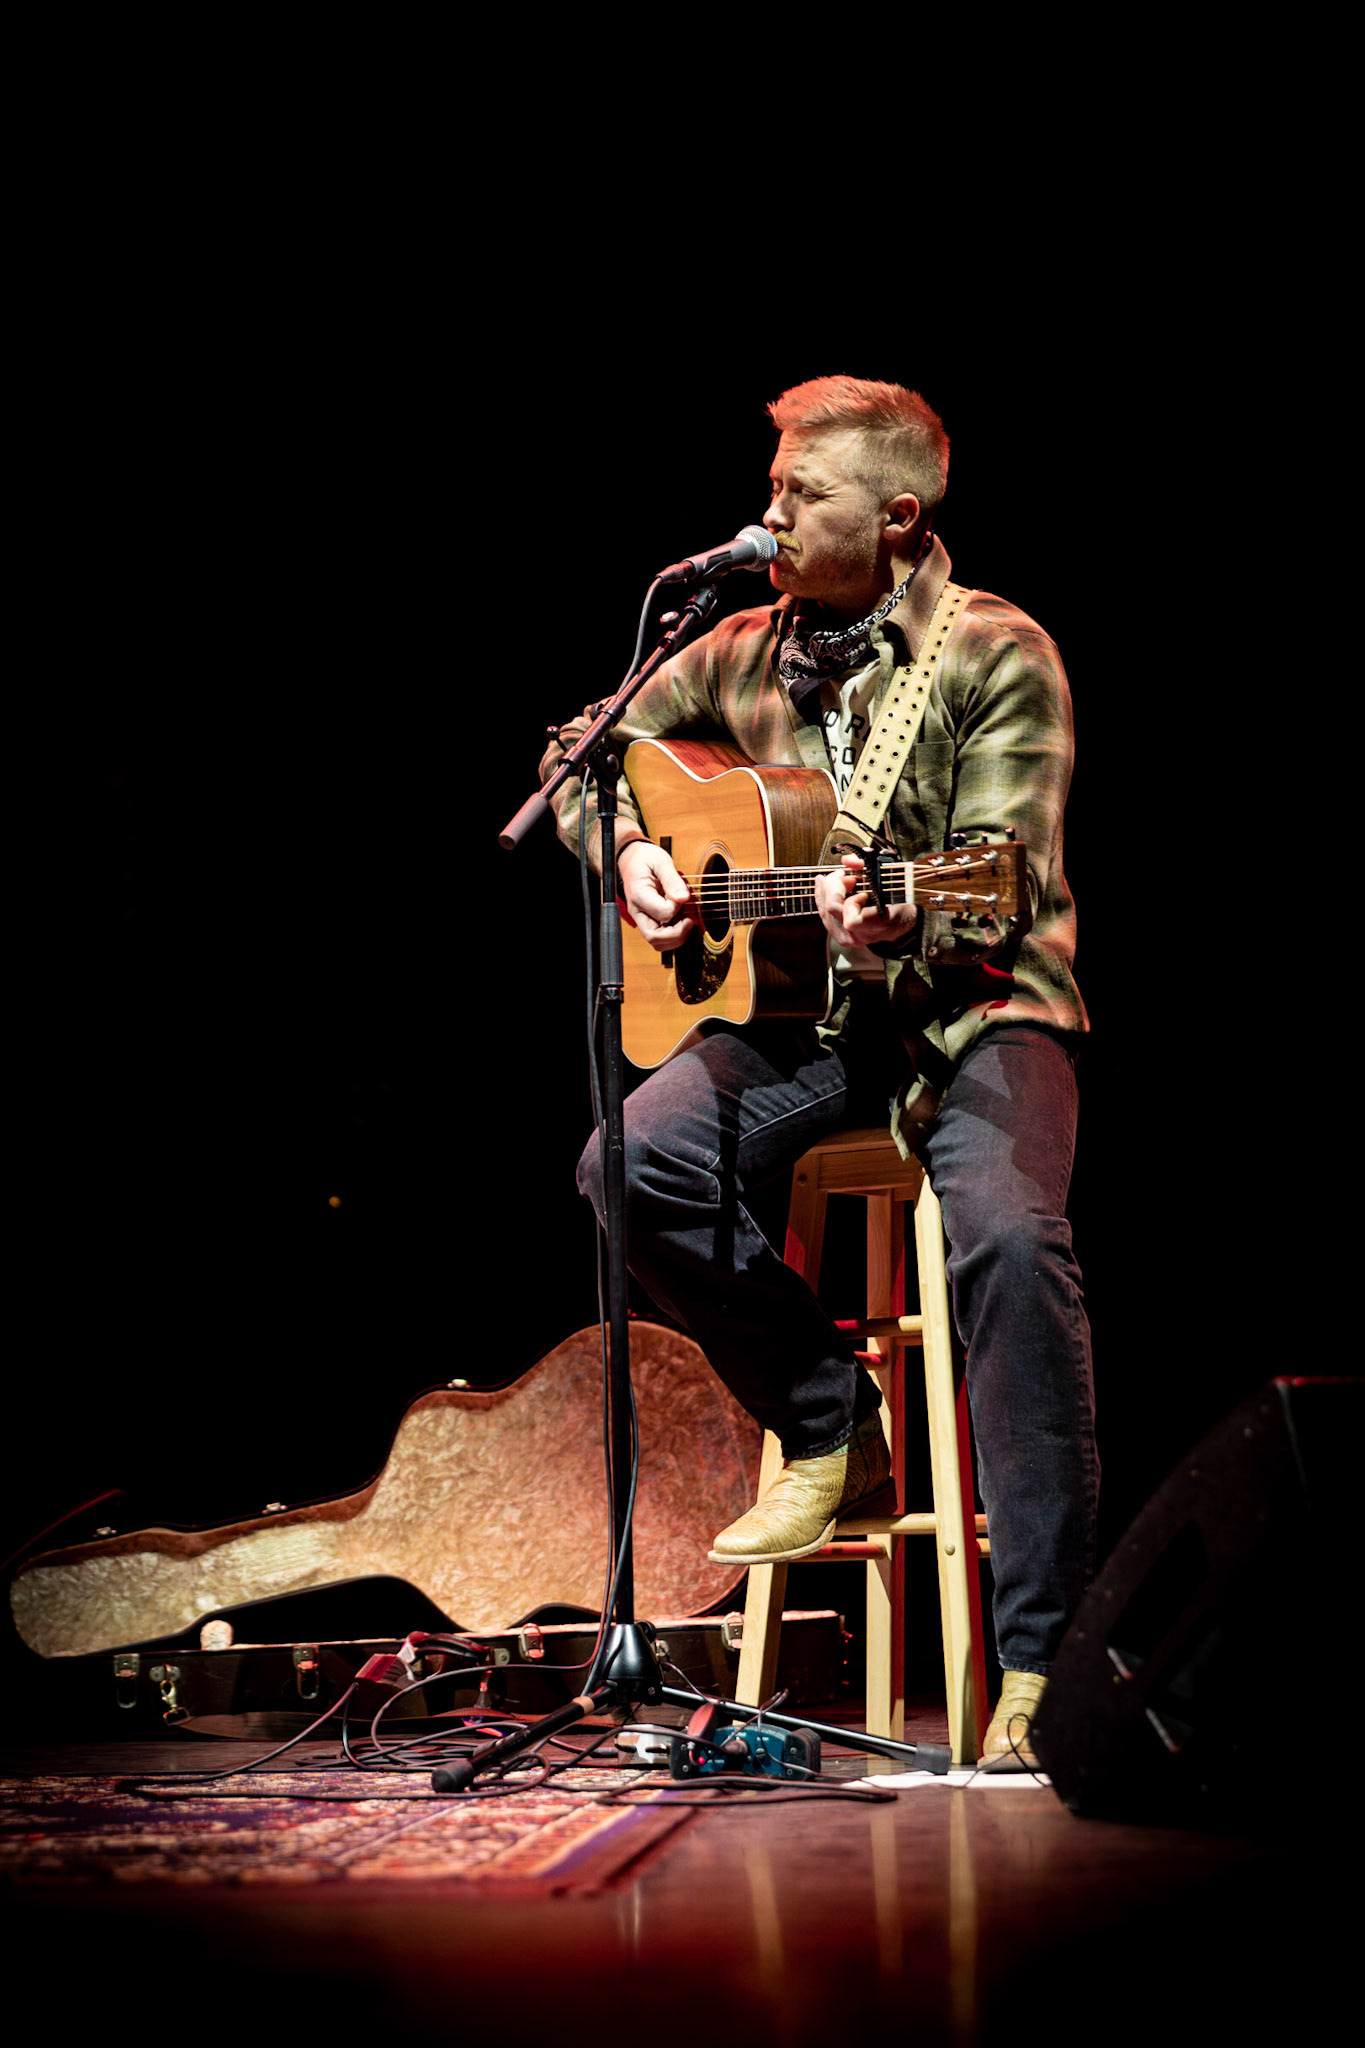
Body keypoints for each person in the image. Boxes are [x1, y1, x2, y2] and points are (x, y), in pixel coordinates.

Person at [541, 376, 1096, 1766]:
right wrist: (632, 851)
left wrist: (906, 910)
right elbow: (577, 764)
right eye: (773, 484)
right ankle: (829, 1420)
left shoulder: (994, 651)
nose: (770, 512)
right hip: (809, 1022)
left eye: (804, 494)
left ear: (895, 514)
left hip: (973, 1009)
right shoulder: (730, 647)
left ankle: (1046, 1662)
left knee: (1010, 1246)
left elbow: (1001, 882)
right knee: (631, 1158)